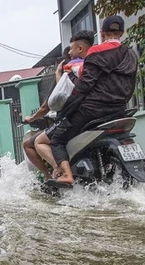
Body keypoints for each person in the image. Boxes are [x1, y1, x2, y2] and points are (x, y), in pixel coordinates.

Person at [36, 16, 138, 187]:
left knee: (58, 140)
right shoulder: (131, 54)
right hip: (119, 110)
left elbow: (84, 86)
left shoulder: (97, 52)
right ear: (122, 32)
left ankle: (67, 175)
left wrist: (67, 108)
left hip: (92, 111)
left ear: (102, 33)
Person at [23, 30, 95, 180]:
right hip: (98, 114)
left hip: (74, 116)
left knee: (40, 141)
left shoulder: (70, 70)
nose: (70, 52)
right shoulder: (96, 66)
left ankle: (56, 173)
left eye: (71, 49)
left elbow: (57, 99)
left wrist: (58, 74)